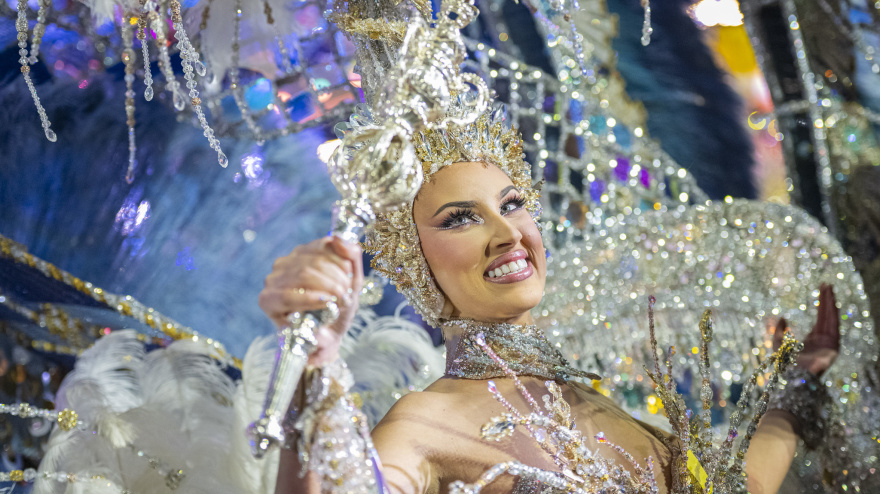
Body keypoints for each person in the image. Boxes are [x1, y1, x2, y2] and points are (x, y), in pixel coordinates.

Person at [258, 110, 841, 493]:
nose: (507, 233)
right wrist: (314, 368)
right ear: (415, 260)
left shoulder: (609, 414)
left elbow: (742, 486)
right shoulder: (422, 425)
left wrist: (799, 386)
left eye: (512, 204)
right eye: (459, 219)